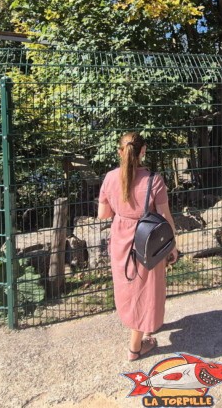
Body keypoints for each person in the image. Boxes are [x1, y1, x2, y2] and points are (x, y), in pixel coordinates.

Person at [98, 132, 179, 361]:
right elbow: (165, 216)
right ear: (143, 151)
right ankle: (135, 347)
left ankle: (141, 327)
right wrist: (172, 245)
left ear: (119, 152)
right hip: (147, 241)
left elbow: (103, 214)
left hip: (120, 238)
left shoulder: (110, 177)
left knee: (128, 287)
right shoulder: (155, 180)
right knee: (145, 289)